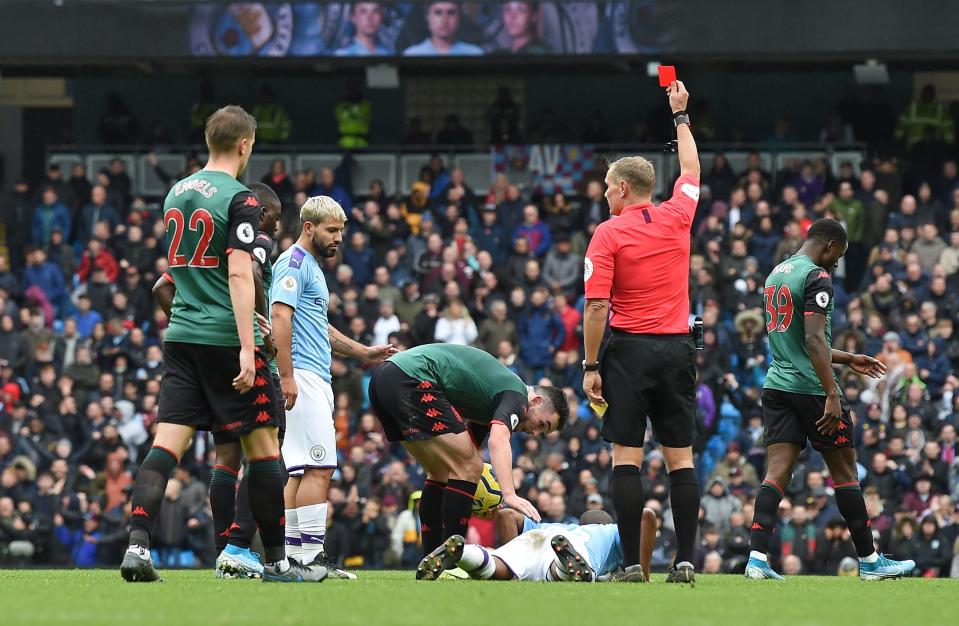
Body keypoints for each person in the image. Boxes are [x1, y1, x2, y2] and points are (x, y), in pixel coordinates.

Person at [120, 106, 326, 584]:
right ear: (245, 145)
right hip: (224, 337)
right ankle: (276, 560)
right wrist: (245, 346)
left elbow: (171, 275)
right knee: (262, 450)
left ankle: (137, 546)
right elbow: (240, 271)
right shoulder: (241, 200)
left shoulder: (177, 191)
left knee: (166, 446)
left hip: (181, 337)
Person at [744, 218, 917, 582]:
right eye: (838, 255)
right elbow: (812, 341)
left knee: (775, 474)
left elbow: (796, 342)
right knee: (844, 474)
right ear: (830, 246)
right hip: (810, 389)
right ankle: (870, 561)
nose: (837, 263)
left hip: (777, 386)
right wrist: (832, 393)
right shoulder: (816, 277)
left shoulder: (777, 273)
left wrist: (848, 358)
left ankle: (757, 559)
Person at [581, 80, 701, 585]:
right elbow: (691, 170)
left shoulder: (609, 232)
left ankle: (631, 565)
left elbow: (596, 306)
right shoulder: (678, 214)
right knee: (681, 460)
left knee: (626, 458)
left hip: (629, 351)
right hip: (677, 349)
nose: (605, 193)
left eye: (608, 186)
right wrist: (680, 115)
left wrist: (590, 366)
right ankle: (686, 562)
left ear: (623, 188)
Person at [152, 182, 282, 579]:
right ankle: (241, 548)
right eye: (274, 220)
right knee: (266, 453)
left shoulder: (207, 249)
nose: (274, 230)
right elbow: (254, 273)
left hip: (200, 351)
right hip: (243, 354)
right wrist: (262, 335)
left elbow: (161, 286)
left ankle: (222, 549)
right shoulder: (254, 240)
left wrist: (186, 318)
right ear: (260, 213)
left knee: (226, 459)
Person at [271, 195, 395, 578]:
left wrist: (364, 353)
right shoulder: (293, 263)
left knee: (298, 471)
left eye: (341, 230)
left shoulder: (310, 266)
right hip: (302, 377)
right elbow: (279, 316)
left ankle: (294, 558)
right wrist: (287, 375)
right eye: (332, 230)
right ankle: (309, 559)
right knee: (320, 467)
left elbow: (320, 328)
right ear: (309, 228)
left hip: (311, 376)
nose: (339, 238)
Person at [367, 344, 567, 567]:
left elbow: (462, 459)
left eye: (542, 432)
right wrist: (509, 495)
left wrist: (471, 492)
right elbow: (498, 440)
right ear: (536, 401)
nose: (534, 432)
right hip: (412, 378)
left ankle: (431, 561)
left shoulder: (490, 400)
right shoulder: (517, 396)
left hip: (383, 379)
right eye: (542, 424)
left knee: (441, 472)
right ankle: (452, 563)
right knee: (472, 466)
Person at [418, 509, 623, 582]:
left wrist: (514, 562)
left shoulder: (559, 525)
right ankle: (564, 564)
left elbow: (506, 514)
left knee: (496, 567)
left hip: (538, 534)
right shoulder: (610, 531)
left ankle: (462, 553)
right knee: (557, 573)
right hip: (574, 547)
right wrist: (643, 572)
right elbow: (647, 516)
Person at [403, 2, 483, 56]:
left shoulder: (476, 53)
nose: (444, 20)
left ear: (459, 17)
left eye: (451, 12)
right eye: (438, 12)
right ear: (427, 17)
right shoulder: (412, 54)